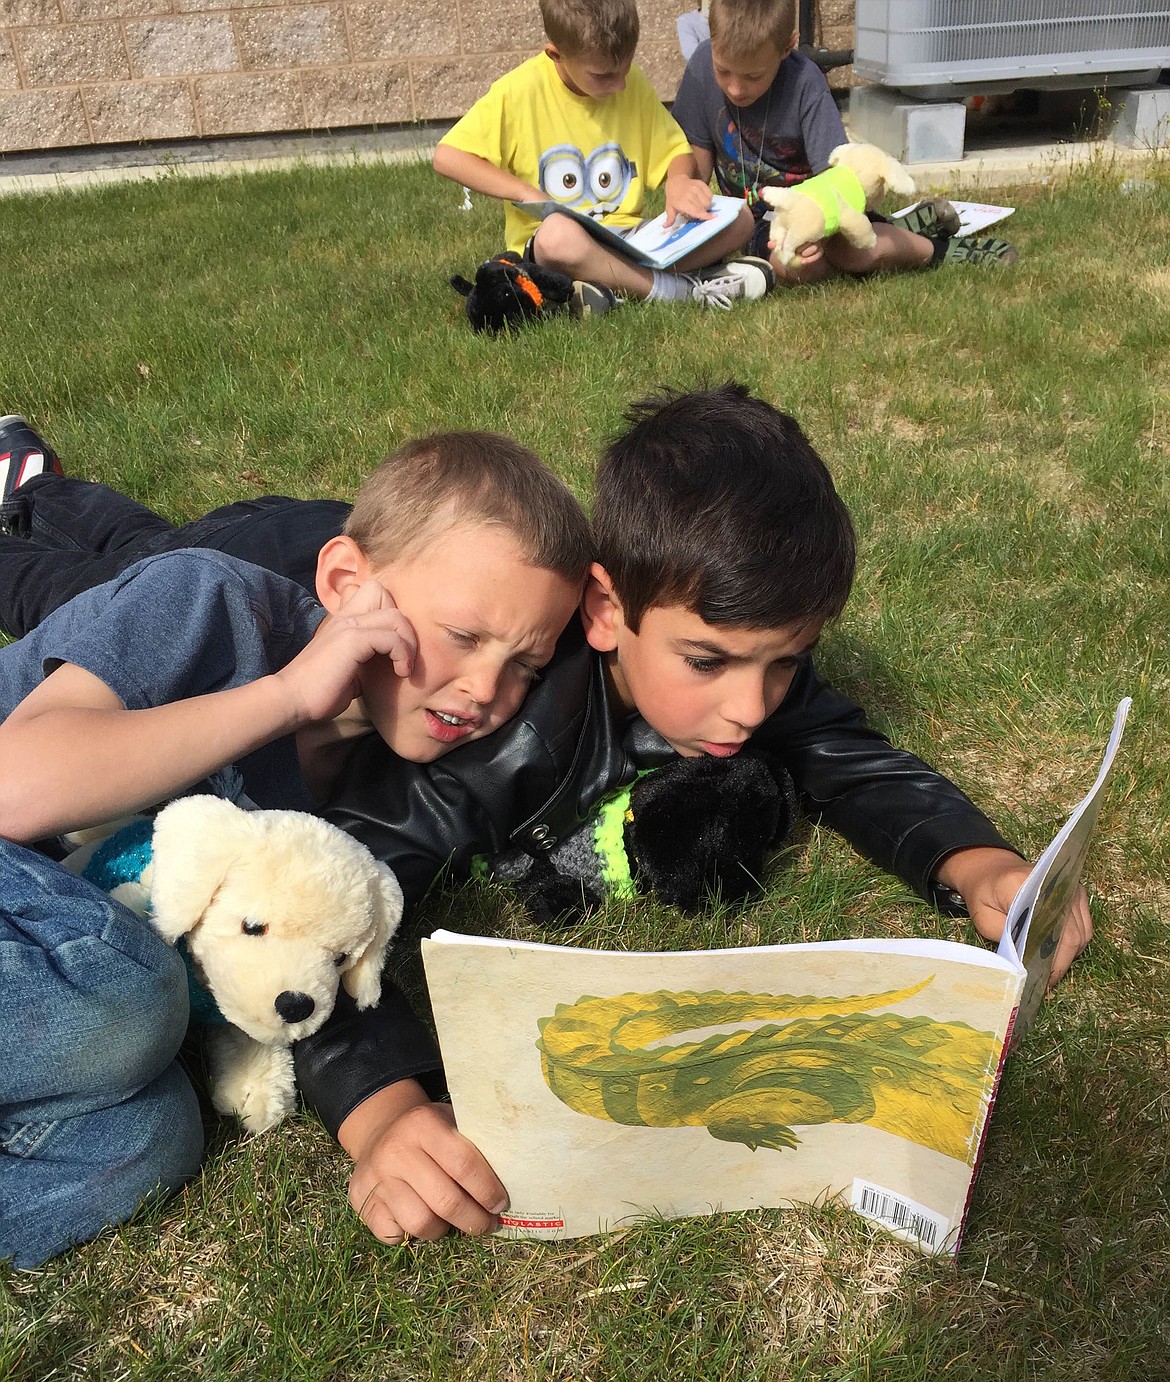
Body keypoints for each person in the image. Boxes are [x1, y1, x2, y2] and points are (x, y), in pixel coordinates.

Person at [0, 392, 1092, 1253]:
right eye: (710, 662)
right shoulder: (448, 706)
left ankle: (40, 482)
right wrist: (382, 1108)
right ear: (611, 612)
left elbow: (847, 754)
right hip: (254, 571)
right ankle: (36, 492)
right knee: (101, 578)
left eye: (786, 664)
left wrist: (977, 857)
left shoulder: (523, 665)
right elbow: (344, 888)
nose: (754, 706)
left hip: (286, 598)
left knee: (152, 1135)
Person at [0, 425, 593, 1268]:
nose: (486, 689)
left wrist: (388, 1117)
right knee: (127, 999)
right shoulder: (210, 603)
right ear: (350, 583)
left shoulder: (382, 787)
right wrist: (283, 696)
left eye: (524, 666)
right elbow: (14, 784)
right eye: (463, 636)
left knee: (151, 1142)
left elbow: (308, 949)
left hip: (48, 974)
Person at [432, 0, 774, 315]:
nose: (620, 85)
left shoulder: (631, 84)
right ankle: (676, 289)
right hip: (555, 247)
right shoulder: (519, 91)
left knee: (739, 218)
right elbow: (448, 156)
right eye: (604, 75)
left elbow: (675, 152)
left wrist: (680, 180)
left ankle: (611, 287)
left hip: (632, 239)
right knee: (557, 237)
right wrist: (525, 193)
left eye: (625, 69)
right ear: (556, 54)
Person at [671, 0, 1020, 282]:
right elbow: (695, 157)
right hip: (750, 221)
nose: (735, 88)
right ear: (711, 41)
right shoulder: (702, 65)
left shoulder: (804, 82)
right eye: (724, 71)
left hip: (823, 213)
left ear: (787, 47)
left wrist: (816, 231)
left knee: (848, 255)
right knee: (789, 269)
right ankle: (899, 226)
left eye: (752, 76)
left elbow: (840, 179)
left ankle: (934, 249)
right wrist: (683, 184)